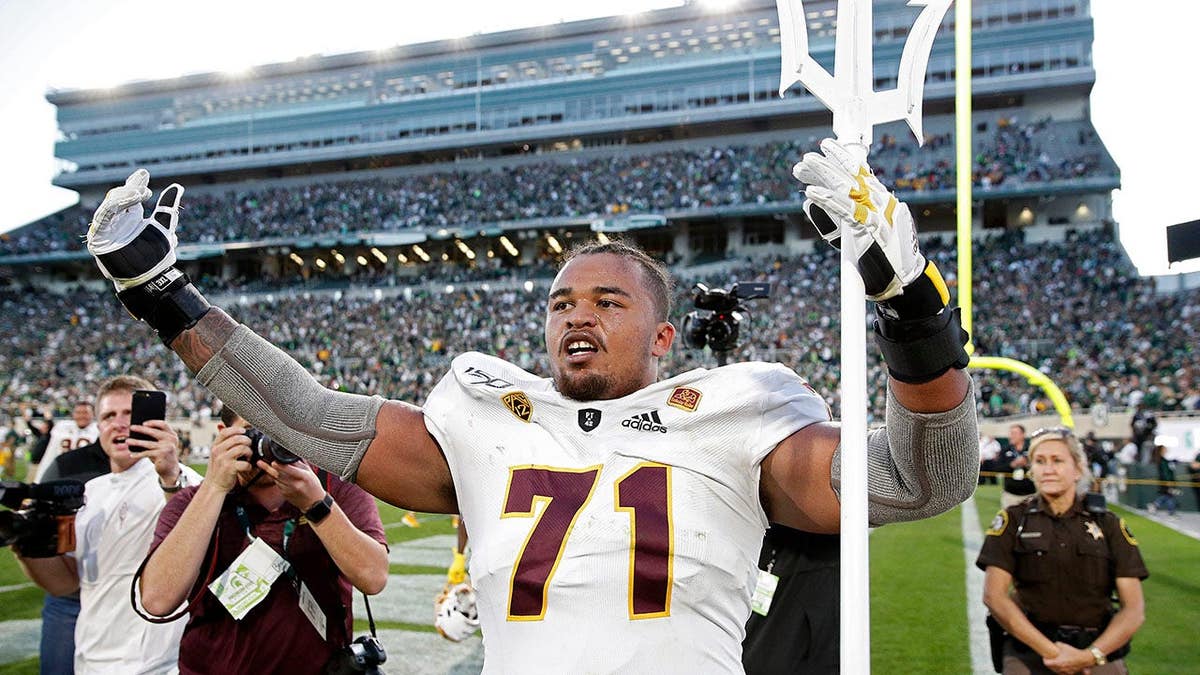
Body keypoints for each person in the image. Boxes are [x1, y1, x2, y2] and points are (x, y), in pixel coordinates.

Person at [83, 139, 980, 671]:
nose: (575, 316)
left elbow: (919, 475)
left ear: (665, 339)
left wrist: (913, 308)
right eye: (559, 303)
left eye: (606, 302)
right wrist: (164, 293)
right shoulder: (488, 414)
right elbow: (310, 413)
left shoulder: (731, 409)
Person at [137, 407, 388, 673]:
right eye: (254, 429)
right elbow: (157, 601)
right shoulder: (193, 502)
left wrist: (315, 504)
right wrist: (215, 486)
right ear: (224, 435)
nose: (270, 440)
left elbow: (373, 577)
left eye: (281, 429)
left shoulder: (333, 488)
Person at [14, 375, 201, 674]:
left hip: (158, 665)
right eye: (109, 416)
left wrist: (170, 474)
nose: (119, 423)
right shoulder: (90, 492)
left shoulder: (184, 481)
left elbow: (193, 545)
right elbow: (67, 583)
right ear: (98, 427)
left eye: (130, 413)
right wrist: (24, 545)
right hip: (90, 660)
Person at [977, 427, 1147, 674]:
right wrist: (1053, 653)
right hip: (1030, 648)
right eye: (1039, 461)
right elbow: (994, 597)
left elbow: (1134, 609)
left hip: (1097, 649)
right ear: (1031, 469)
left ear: (1078, 469)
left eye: (1057, 461)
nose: (1048, 469)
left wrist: (1090, 656)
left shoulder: (1108, 524)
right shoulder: (1013, 520)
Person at [34, 401, 99, 483]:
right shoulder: (62, 427)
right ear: (73, 414)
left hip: (89, 474)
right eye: (78, 412)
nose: (81, 416)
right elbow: (50, 453)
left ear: (93, 414)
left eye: (85, 412)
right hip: (63, 473)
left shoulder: (99, 431)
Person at [1000, 424, 1037, 508]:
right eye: (1011, 433)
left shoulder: (1031, 449)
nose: (1011, 436)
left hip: (1030, 494)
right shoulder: (1005, 449)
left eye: (1014, 433)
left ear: (1022, 434)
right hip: (1010, 494)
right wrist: (1012, 465)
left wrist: (1027, 464)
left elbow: (1040, 467)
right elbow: (997, 468)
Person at [1146, 445, 1177, 516]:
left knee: (1168, 496)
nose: (1166, 450)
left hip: (1166, 481)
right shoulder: (1162, 461)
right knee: (1168, 495)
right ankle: (1156, 505)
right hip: (1165, 482)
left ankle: (1169, 511)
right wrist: (1168, 481)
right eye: (1164, 449)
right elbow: (1165, 472)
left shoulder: (1163, 460)